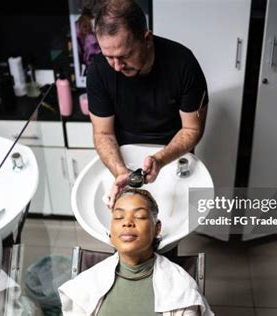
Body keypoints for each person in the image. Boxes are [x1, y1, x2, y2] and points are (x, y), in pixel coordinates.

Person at [87, 0, 209, 206]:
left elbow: (192, 128)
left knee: (174, 214)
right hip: (123, 154)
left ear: (147, 39)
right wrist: (120, 171)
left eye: (124, 55)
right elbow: (103, 133)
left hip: (172, 152)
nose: (116, 67)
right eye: (109, 57)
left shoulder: (184, 63)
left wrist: (160, 159)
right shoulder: (99, 70)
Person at [58, 188, 214, 315]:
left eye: (139, 216)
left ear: (157, 228)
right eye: (119, 217)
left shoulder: (182, 290)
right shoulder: (84, 287)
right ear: (111, 231)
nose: (127, 222)